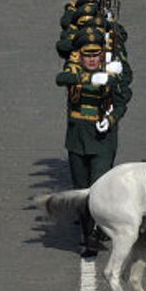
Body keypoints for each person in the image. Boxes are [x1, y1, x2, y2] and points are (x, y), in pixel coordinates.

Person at [55, 28, 130, 257]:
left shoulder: (112, 72)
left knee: (97, 189)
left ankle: (95, 234)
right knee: (81, 191)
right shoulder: (74, 70)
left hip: (102, 140)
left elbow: (122, 101)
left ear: (102, 54)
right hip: (77, 139)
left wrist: (110, 119)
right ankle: (86, 233)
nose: (91, 59)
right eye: (87, 55)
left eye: (95, 55)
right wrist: (90, 78)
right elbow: (62, 79)